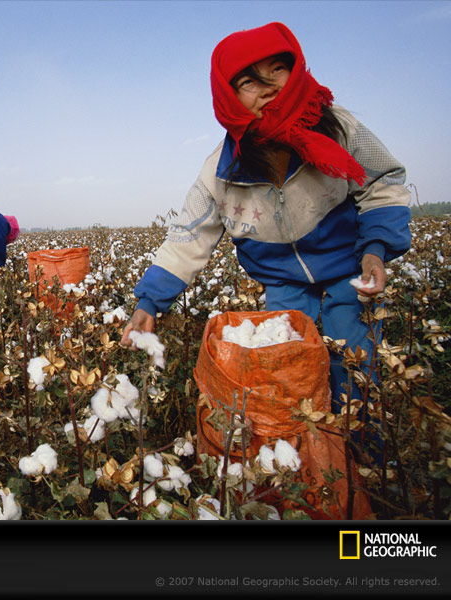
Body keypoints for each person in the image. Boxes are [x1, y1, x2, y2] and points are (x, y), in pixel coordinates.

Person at [121, 22, 411, 454]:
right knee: (292, 373)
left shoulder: (336, 129)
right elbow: (188, 237)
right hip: (284, 285)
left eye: (278, 70)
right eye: (248, 82)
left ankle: (360, 463)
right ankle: (308, 463)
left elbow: (383, 181)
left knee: (352, 367)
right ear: (228, 96)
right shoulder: (221, 171)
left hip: (351, 271)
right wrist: (148, 303)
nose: (270, 87)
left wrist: (375, 250)